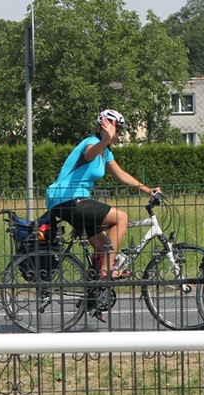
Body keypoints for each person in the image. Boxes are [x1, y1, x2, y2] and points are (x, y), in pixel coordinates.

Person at [45, 109, 161, 280]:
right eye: (115, 129)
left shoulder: (105, 151)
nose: (117, 134)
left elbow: (121, 175)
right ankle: (106, 272)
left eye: (118, 131)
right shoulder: (91, 143)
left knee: (104, 247)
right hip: (67, 200)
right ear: (102, 127)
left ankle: (93, 294)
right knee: (121, 218)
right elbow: (89, 154)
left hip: (74, 201)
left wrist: (148, 190)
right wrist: (106, 139)